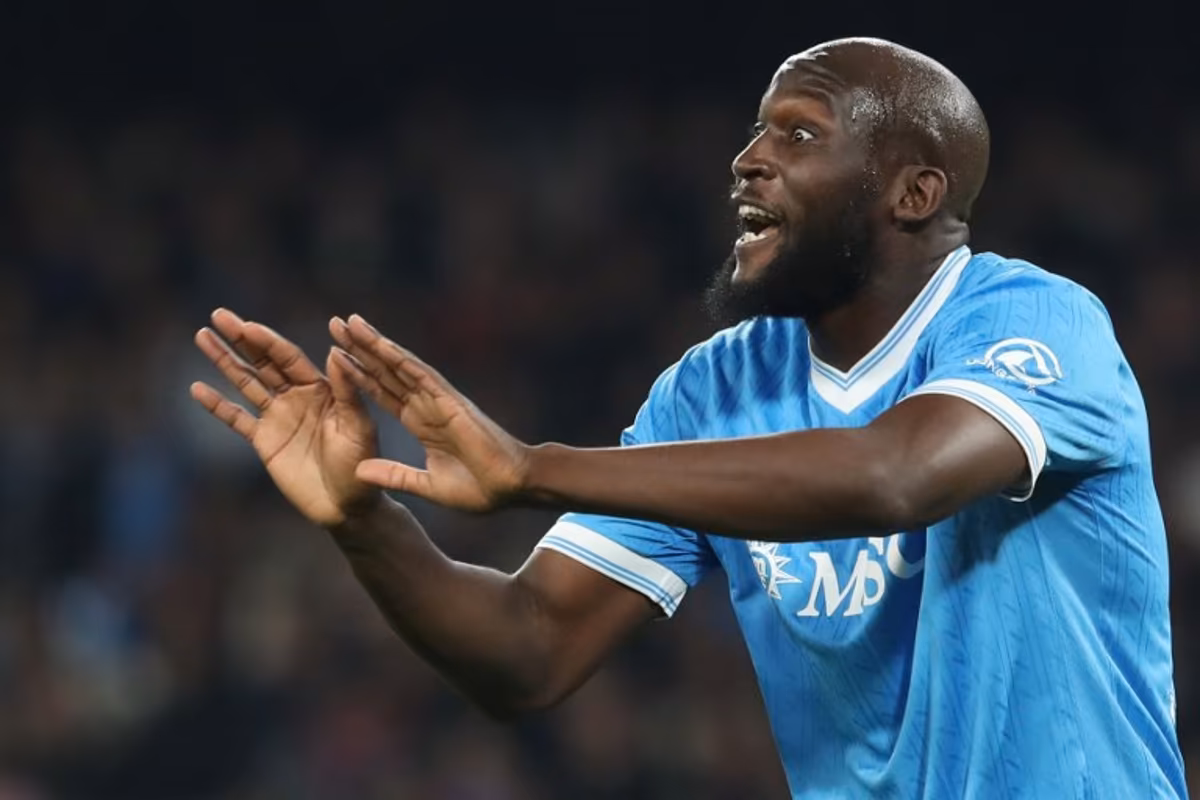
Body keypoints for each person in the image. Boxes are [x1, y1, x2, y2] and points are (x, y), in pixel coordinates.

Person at [190, 37, 1187, 798]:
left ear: (914, 191)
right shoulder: (715, 390)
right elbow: (529, 649)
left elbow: (898, 475)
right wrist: (362, 520)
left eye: (798, 134)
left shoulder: (1032, 319)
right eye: (756, 131)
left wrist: (532, 468)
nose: (747, 160)